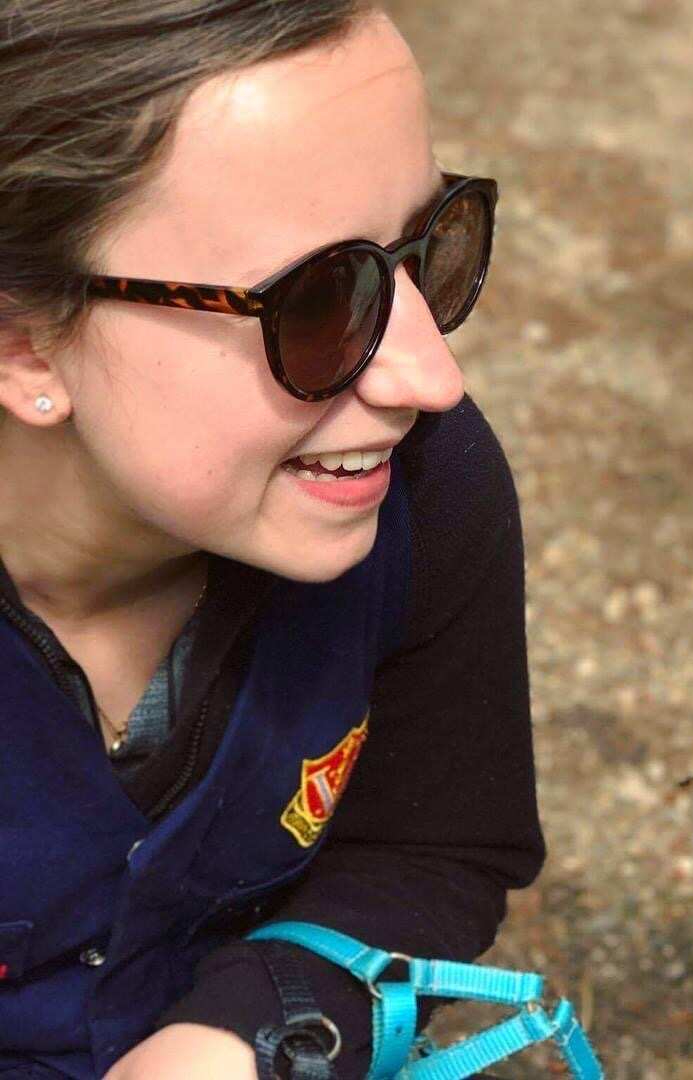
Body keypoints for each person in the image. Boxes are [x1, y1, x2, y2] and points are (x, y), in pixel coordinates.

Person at [0, 3, 544, 1077]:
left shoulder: (424, 487)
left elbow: (431, 845)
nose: (431, 376)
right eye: (316, 304)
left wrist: (253, 1033)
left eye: (432, 255)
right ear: (26, 349)